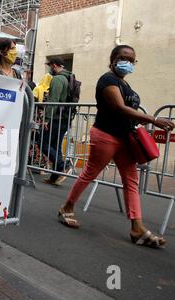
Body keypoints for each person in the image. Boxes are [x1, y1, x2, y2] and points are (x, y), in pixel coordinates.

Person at [58, 45, 175, 248]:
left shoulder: (124, 83)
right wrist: (153, 119)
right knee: (90, 173)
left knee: (131, 181)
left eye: (131, 60)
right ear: (112, 59)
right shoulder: (108, 80)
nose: (127, 62)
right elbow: (120, 108)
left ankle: (137, 227)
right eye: (123, 58)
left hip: (125, 139)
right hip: (106, 136)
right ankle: (66, 208)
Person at [41, 57, 72, 186]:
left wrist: (46, 119)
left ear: (54, 65)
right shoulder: (69, 77)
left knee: (43, 143)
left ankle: (62, 165)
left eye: (50, 66)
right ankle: (55, 177)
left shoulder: (58, 79)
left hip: (56, 118)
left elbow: (53, 100)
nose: (50, 69)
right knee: (56, 147)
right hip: (65, 118)